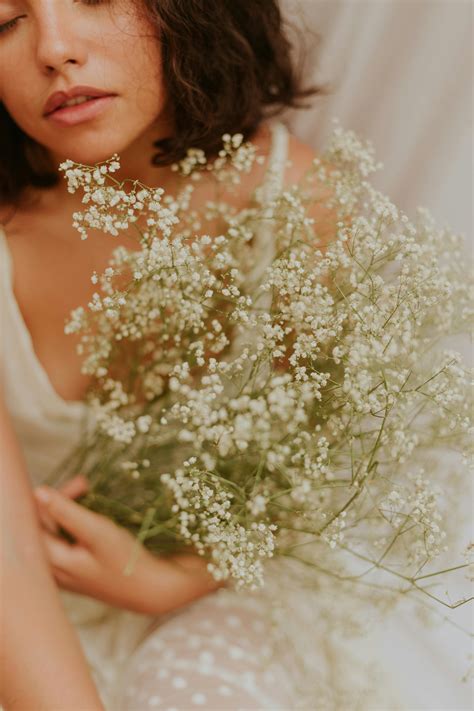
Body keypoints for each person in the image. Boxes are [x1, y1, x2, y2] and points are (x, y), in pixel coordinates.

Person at [0, 1, 336, 708]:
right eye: (2, 22)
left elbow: (307, 461)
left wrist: (178, 576)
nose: (54, 49)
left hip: (229, 586)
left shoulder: (292, 203)